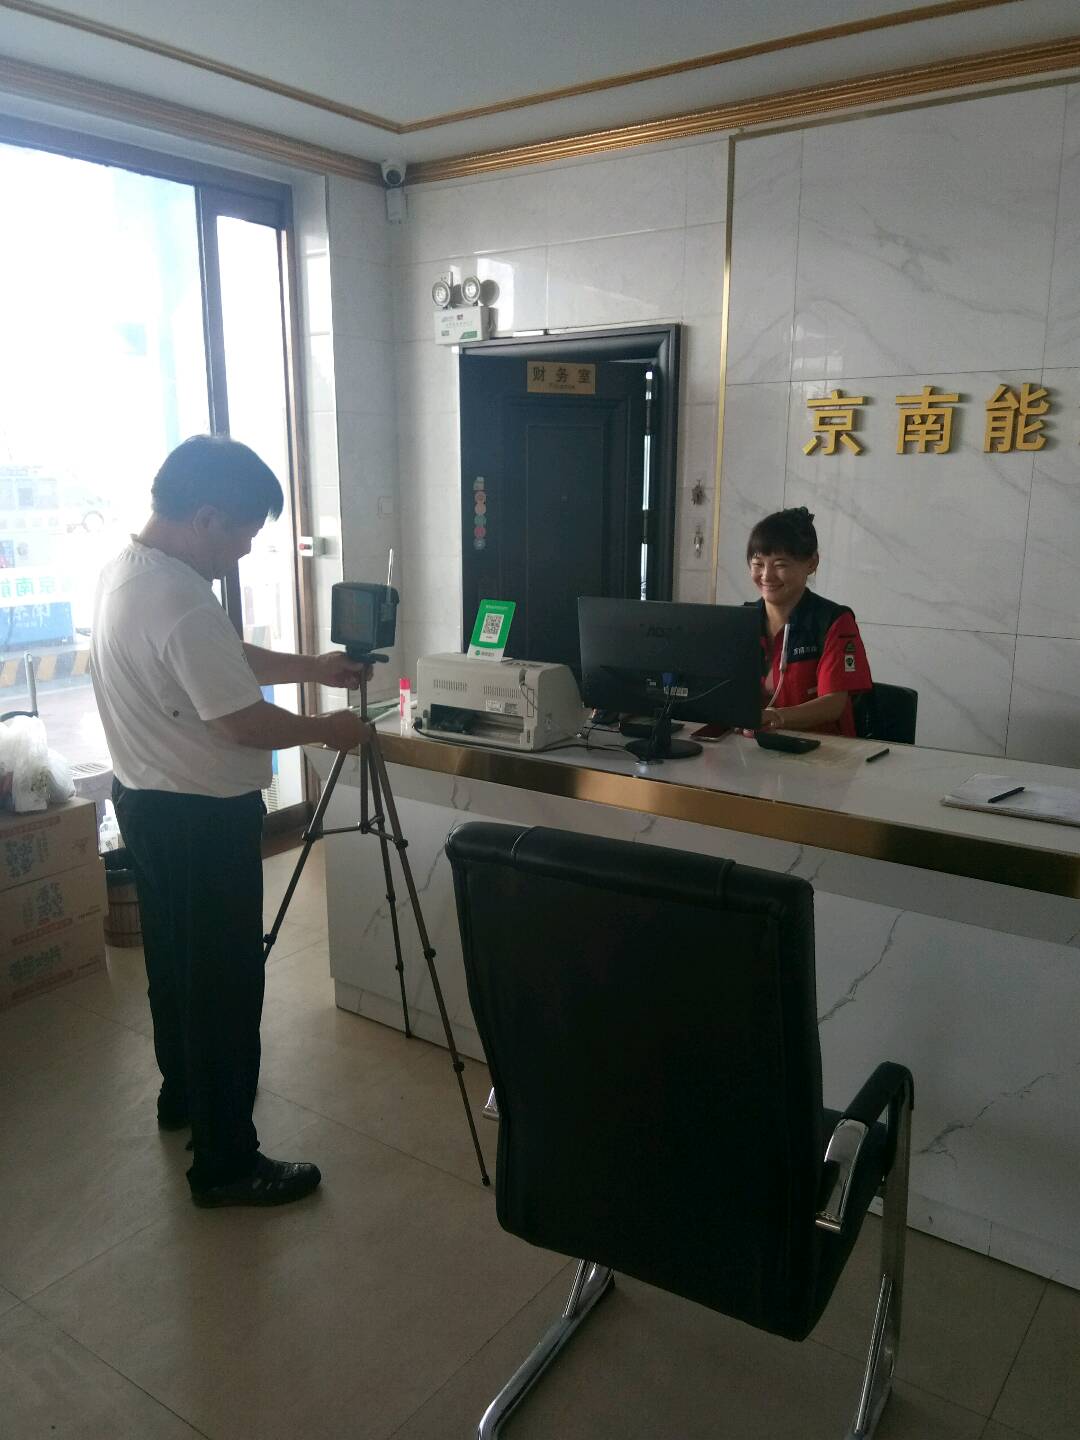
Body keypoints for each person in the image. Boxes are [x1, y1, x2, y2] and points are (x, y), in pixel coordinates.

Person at [91, 435, 373, 1209]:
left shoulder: (131, 572)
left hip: (145, 805)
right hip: (200, 822)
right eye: (245, 531)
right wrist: (326, 730)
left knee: (176, 967)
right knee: (223, 985)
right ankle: (226, 1163)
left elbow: (218, 657)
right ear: (208, 516)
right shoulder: (179, 596)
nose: (246, 548)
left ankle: (183, 1095)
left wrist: (311, 668)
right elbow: (240, 722)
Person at [745, 506, 871, 737]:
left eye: (780, 564)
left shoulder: (833, 621)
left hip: (822, 750)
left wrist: (776, 718)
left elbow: (833, 703)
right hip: (753, 748)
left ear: (812, 563)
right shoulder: (740, 621)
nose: (766, 576)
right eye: (758, 564)